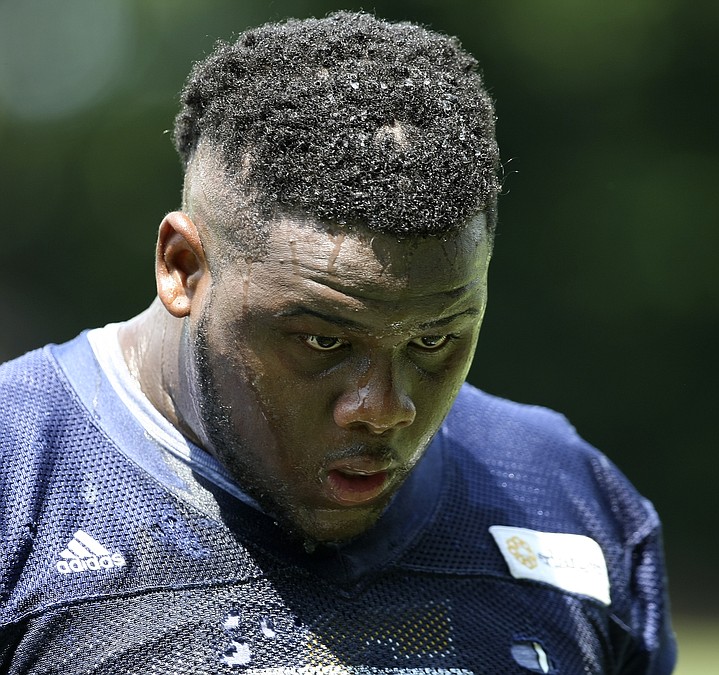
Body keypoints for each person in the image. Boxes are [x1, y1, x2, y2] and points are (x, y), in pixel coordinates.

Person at [0, 11, 676, 674]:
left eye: (435, 338)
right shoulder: (18, 478)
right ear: (184, 267)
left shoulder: (567, 499)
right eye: (323, 340)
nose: (382, 406)